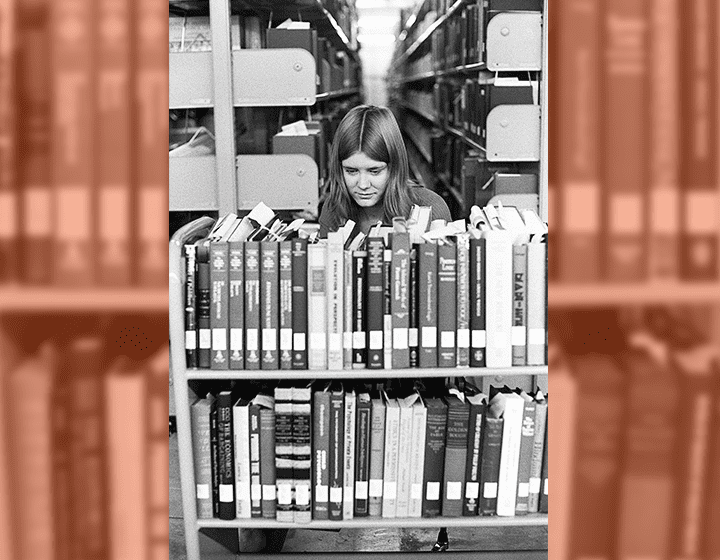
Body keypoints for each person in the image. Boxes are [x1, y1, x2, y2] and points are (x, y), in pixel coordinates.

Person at [318, 105, 452, 237]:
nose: (363, 185)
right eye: (351, 171)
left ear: (394, 167)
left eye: (374, 171)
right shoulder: (333, 209)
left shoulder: (431, 209)